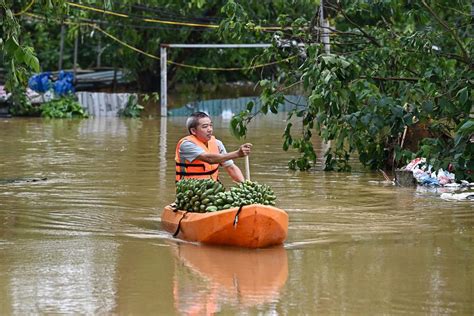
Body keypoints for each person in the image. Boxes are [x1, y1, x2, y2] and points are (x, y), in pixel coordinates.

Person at [175, 112, 252, 183]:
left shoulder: (217, 143)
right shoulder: (186, 145)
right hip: (189, 190)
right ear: (193, 131)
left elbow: (230, 167)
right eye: (205, 127)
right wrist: (237, 154)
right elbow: (210, 159)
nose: (210, 130)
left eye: (211, 125)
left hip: (213, 188)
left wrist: (245, 185)